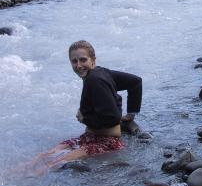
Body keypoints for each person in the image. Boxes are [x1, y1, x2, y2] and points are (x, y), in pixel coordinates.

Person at [22, 40, 142, 174]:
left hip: (107, 142)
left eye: (83, 60)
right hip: (89, 138)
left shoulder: (95, 79)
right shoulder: (101, 72)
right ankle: (15, 175)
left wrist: (84, 118)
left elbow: (113, 118)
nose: (78, 65)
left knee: (52, 164)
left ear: (93, 60)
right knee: (47, 154)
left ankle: (18, 181)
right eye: (74, 61)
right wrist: (131, 113)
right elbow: (135, 82)